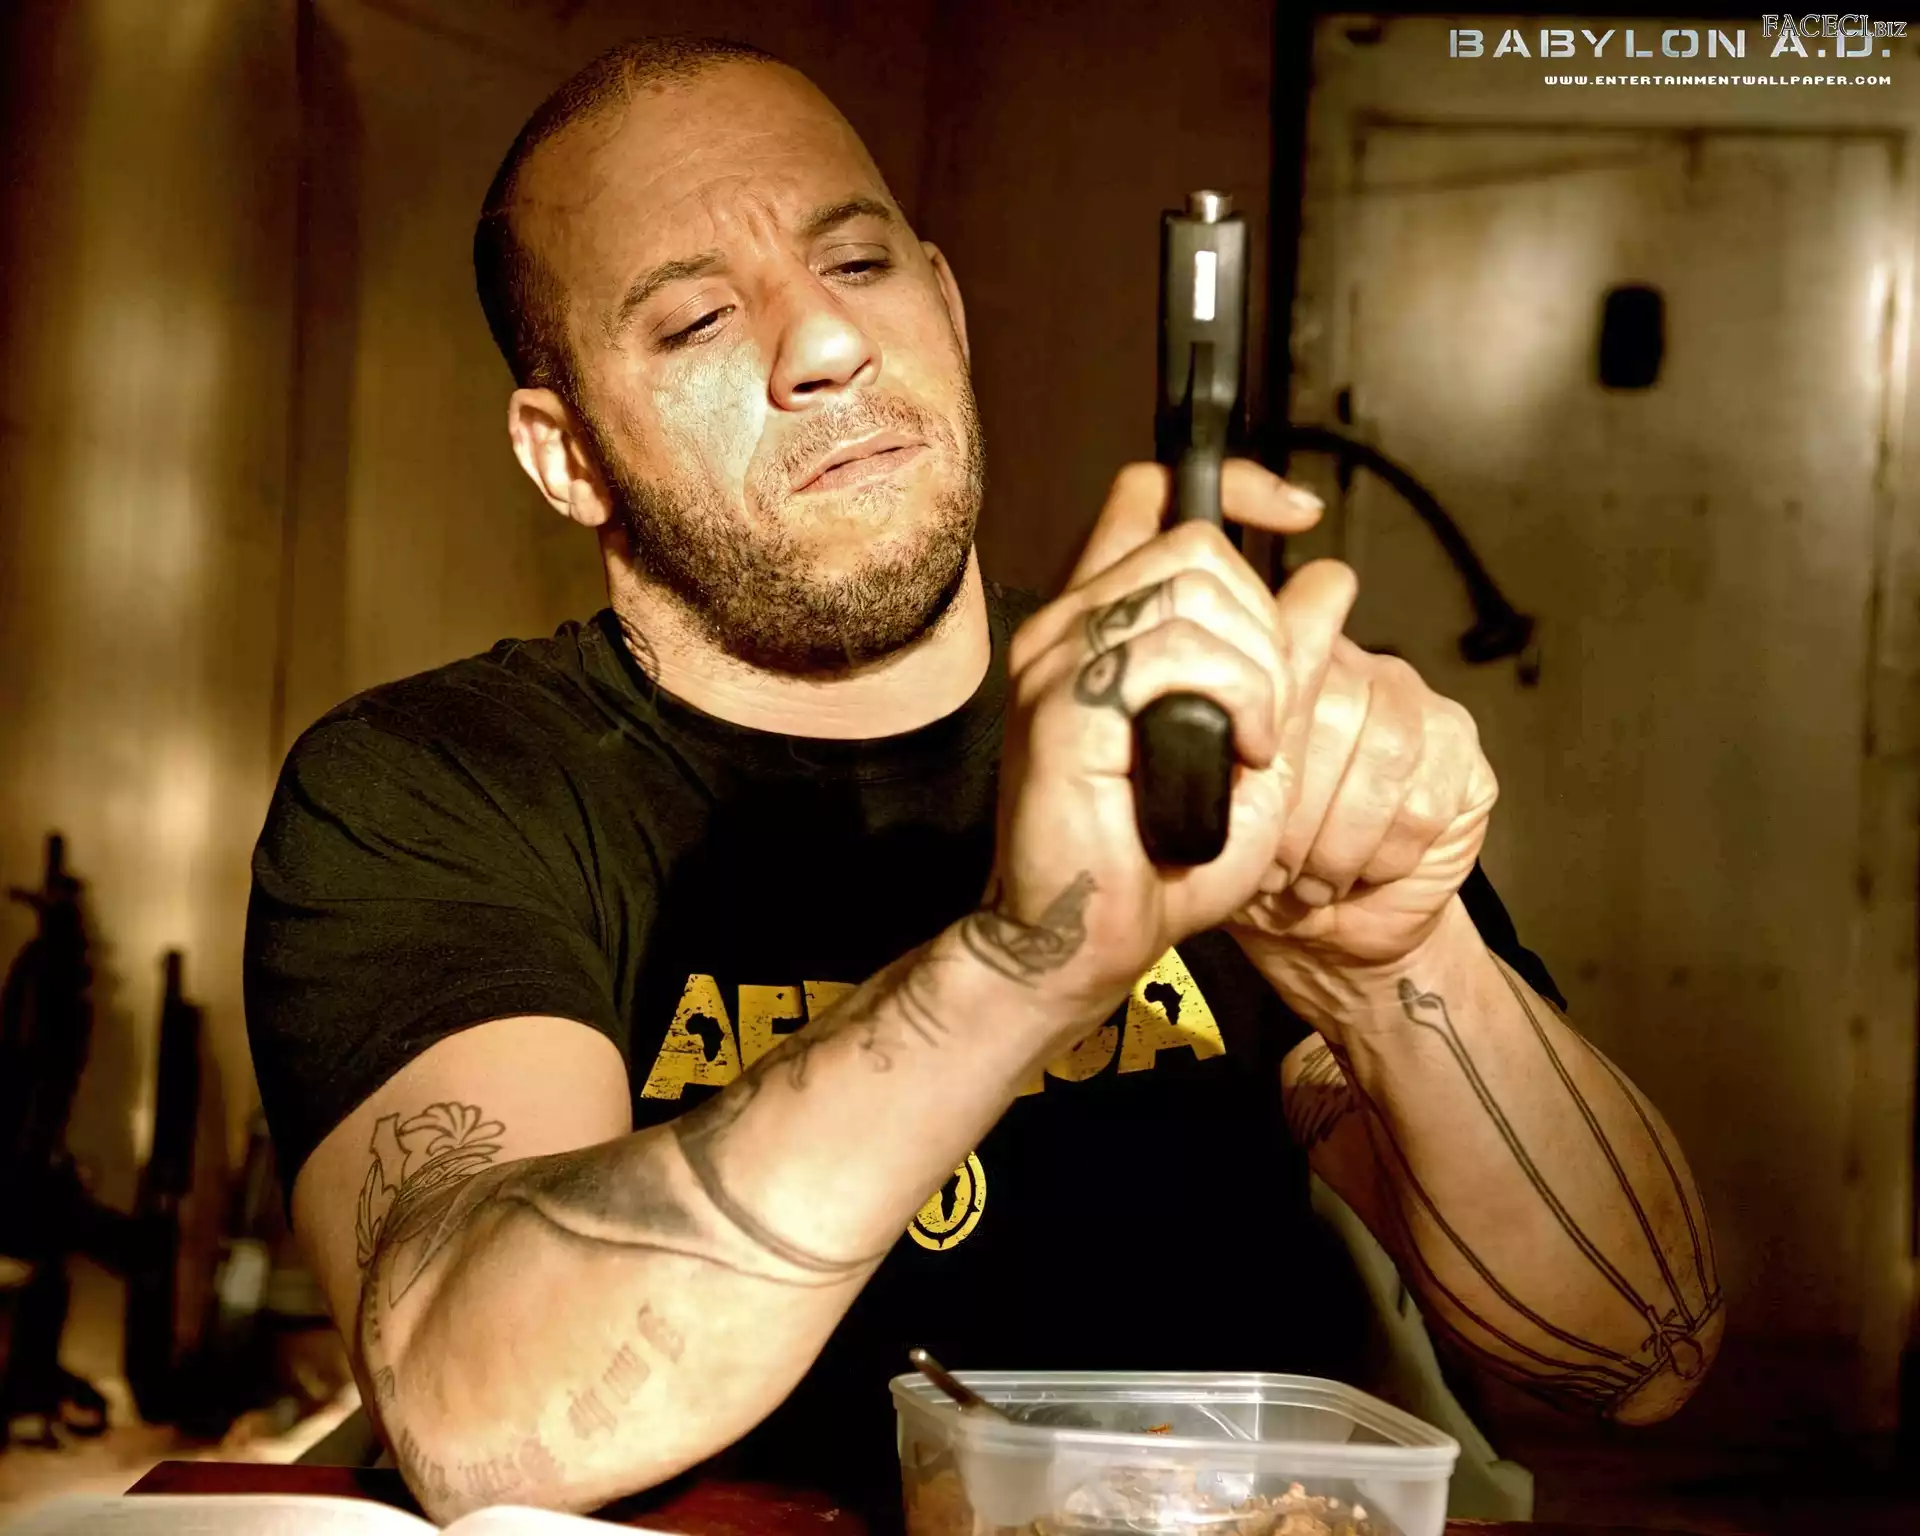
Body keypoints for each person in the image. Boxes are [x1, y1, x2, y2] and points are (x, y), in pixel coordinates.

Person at [244, 36, 1722, 1524]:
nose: (826, 343)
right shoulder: (439, 790)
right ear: (566, 456)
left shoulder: (1209, 730)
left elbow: (1639, 1351)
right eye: (696, 321)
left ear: (946, 306)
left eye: (860, 264)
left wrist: (1394, 963)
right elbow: (474, 1417)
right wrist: (1024, 964)